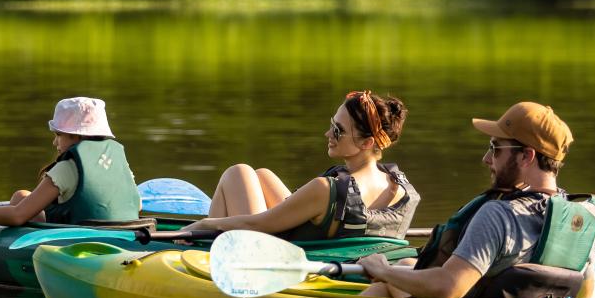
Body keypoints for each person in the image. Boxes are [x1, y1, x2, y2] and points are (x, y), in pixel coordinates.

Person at [359, 102, 595, 298]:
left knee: (385, 284)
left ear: (526, 156)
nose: (487, 159)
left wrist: (383, 270)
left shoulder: (498, 215)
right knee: (406, 263)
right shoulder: (580, 219)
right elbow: (584, 294)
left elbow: (448, 287)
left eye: (495, 148)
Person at [180, 91, 420, 240]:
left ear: (367, 142)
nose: (328, 133)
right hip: (339, 243)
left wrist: (203, 224)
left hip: (276, 256)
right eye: (331, 124)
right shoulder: (397, 188)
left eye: (338, 130)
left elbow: (255, 225)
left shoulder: (325, 189)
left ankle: (199, 258)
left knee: (238, 173)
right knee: (262, 175)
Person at [0, 97, 140, 227]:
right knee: (22, 196)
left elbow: (17, 216)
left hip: (83, 243)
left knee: (20, 202)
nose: (54, 141)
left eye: (58, 134)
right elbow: (137, 206)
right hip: (126, 235)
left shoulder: (66, 168)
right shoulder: (119, 162)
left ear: (76, 137)